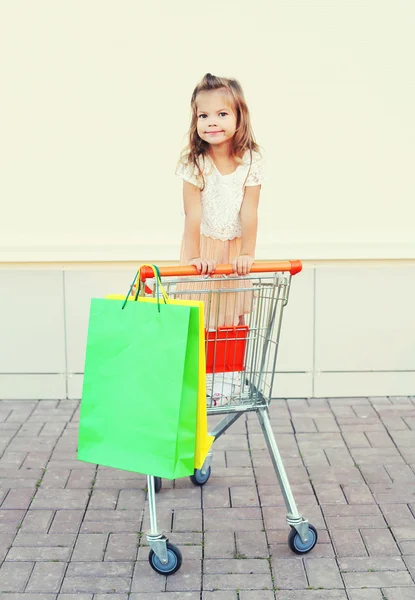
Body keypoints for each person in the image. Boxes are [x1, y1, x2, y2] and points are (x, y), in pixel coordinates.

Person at [176, 72, 264, 331]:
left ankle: (230, 370)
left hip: (234, 249)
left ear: (239, 118)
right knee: (201, 314)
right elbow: (192, 215)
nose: (211, 122)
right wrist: (194, 257)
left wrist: (247, 252)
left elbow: (250, 212)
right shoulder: (195, 163)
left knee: (232, 311)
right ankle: (202, 370)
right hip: (203, 247)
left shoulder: (250, 162)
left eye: (222, 114)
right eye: (203, 116)